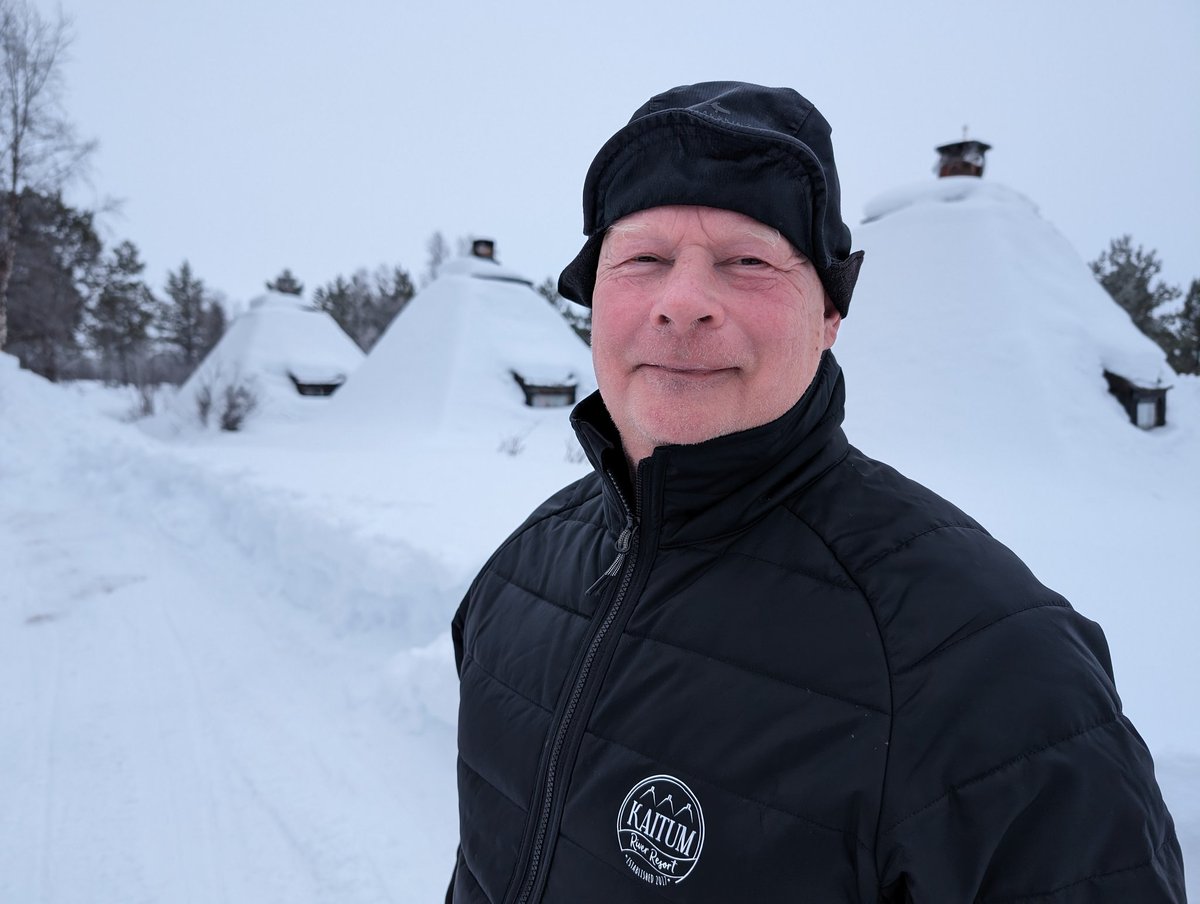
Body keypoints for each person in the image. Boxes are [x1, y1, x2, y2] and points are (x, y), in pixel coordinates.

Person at [448, 82, 1185, 903]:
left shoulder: (996, 676)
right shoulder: (516, 578)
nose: (682, 304)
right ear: (595, 298)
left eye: (749, 261)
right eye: (643, 259)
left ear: (831, 313)